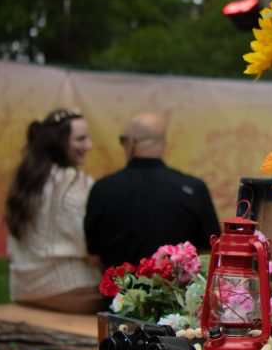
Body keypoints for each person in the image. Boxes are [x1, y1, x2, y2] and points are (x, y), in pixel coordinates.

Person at [84, 112, 220, 269]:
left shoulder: (102, 189)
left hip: (120, 291)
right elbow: (210, 250)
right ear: (163, 144)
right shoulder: (194, 188)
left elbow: (93, 257)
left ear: (130, 142)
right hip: (176, 291)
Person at [5, 109, 103, 312]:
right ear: (59, 142)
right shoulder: (75, 182)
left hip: (22, 289)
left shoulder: (27, 178)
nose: (89, 146)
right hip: (69, 291)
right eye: (81, 139)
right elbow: (91, 244)